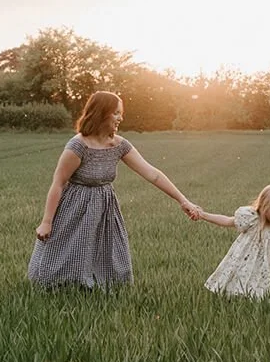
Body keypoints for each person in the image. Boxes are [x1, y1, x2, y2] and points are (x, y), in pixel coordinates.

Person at [29, 91, 201, 289]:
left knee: (107, 254)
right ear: (102, 113)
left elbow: (152, 174)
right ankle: (63, 289)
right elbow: (58, 183)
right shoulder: (78, 146)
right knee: (69, 253)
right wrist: (46, 222)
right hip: (74, 206)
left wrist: (182, 200)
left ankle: (99, 289)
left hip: (105, 206)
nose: (121, 118)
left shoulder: (119, 145)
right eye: (116, 113)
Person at [194, 184, 270, 299]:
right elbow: (226, 221)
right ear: (263, 206)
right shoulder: (252, 219)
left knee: (252, 298)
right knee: (231, 291)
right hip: (240, 263)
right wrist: (203, 215)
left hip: (259, 271)